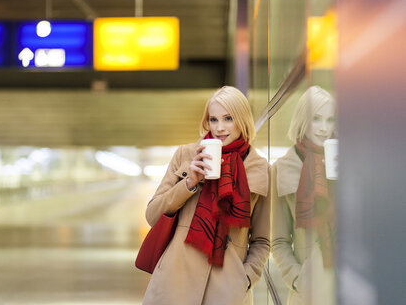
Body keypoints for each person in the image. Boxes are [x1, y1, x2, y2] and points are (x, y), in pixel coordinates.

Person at [142, 86, 270, 305]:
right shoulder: (186, 155)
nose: (220, 128)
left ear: (242, 120)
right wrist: (189, 182)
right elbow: (152, 215)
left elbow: (262, 240)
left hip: (226, 289)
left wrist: (245, 279)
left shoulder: (260, 169)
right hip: (174, 283)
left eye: (228, 118)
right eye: (213, 119)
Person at [271, 86, 336, 305]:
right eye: (316, 119)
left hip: (347, 283)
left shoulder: (349, 161)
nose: (324, 129)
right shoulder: (282, 169)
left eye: (330, 119)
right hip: (310, 291)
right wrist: (298, 279)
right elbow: (278, 240)